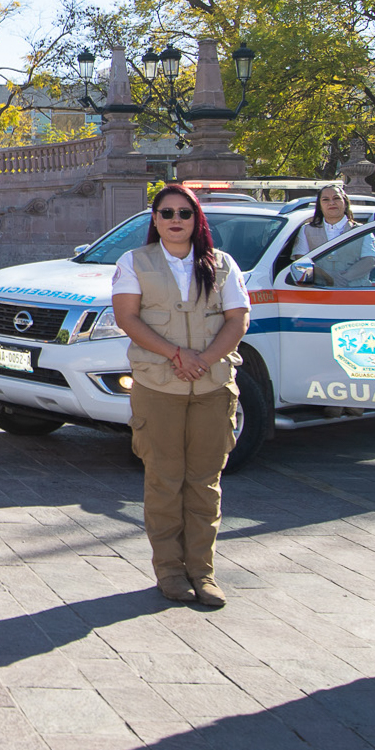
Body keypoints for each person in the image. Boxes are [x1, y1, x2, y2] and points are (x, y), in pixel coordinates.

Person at [111, 185, 250, 609]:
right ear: (154, 219)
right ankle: (170, 572)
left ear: (196, 219)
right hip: (159, 387)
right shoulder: (134, 262)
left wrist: (203, 359)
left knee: (205, 484)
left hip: (211, 386)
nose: (176, 220)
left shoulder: (221, 264)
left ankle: (202, 572)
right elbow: (126, 317)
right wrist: (176, 354)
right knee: (164, 482)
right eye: (166, 212)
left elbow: (237, 319)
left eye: (184, 213)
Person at [294, 183, 375, 284]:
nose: (331, 203)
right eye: (325, 200)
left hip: (356, 292)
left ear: (345, 203)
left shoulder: (362, 230)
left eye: (336, 198)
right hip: (319, 292)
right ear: (320, 206)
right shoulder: (306, 230)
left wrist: (343, 278)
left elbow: (369, 261)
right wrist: (326, 277)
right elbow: (301, 261)